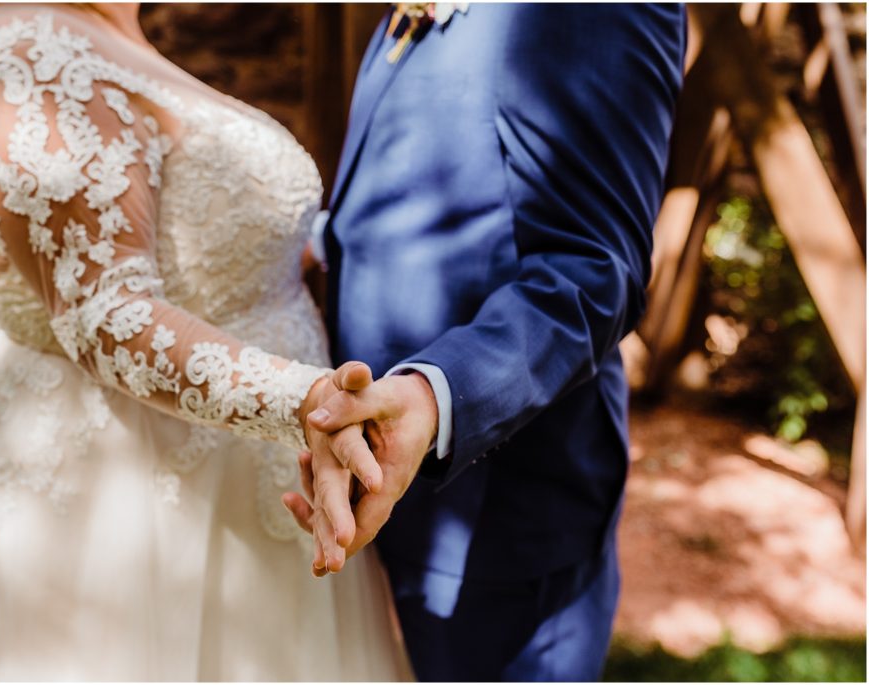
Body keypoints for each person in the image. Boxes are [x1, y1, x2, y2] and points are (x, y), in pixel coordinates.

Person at [0, 4, 412, 680]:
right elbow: (103, 315)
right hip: (132, 508)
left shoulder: (110, 34)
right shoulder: (33, 55)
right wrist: (304, 401)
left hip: (242, 500)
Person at [286, 4, 687, 681]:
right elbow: (436, 188)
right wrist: (314, 243)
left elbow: (592, 270)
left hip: (500, 519)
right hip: (392, 496)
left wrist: (437, 396)